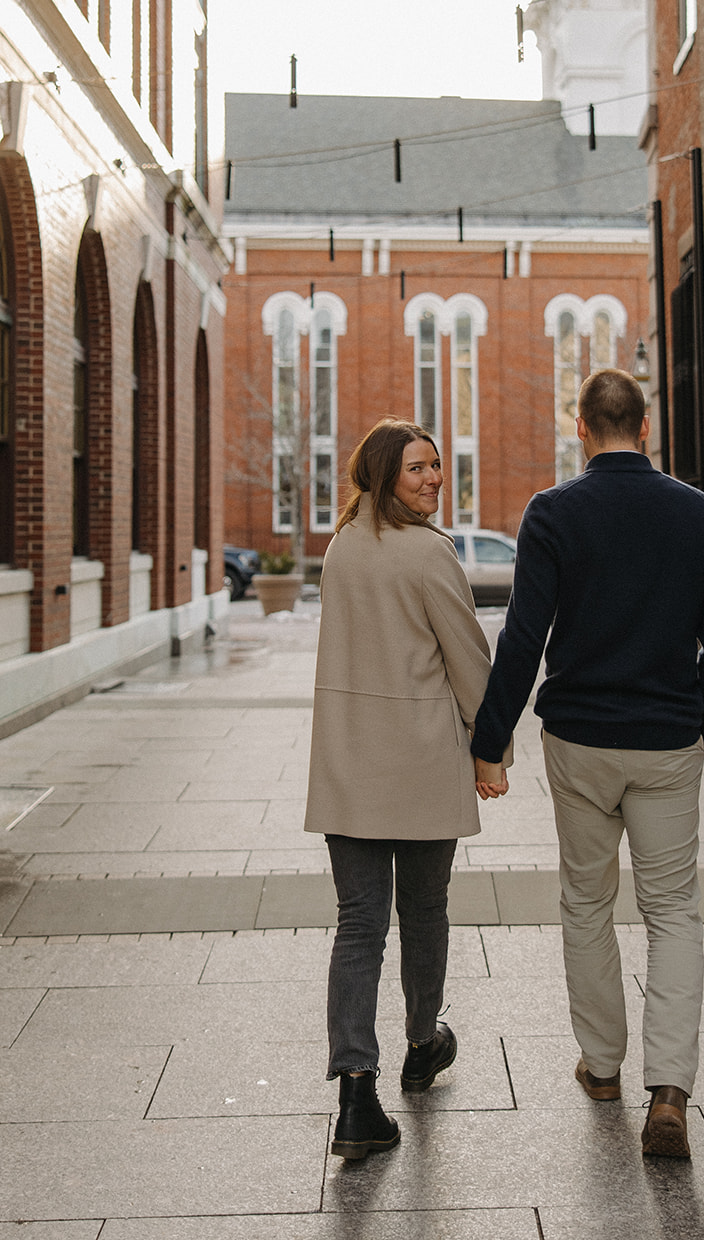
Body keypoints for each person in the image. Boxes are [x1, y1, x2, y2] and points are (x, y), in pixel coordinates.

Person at [470, 369, 704, 1159]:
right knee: (673, 911)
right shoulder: (696, 513)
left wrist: (490, 738)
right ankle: (668, 1090)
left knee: (587, 902)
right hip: (665, 740)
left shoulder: (553, 512)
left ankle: (600, 1065)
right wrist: (699, 724)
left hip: (581, 740)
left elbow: (523, 638)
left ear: (580, 428)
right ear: (645, 427)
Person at [304, 418, 493, 1161]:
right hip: (418, 763)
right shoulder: (429, 553)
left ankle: (356, 1089)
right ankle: (422, 1042)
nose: (433, 479)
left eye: (438, 466)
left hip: (348, 762)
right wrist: (492, 747)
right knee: (422, 911)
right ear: (383, 475)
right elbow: (468, 660)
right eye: (417, 468)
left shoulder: (341, 548)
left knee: (358, 926)